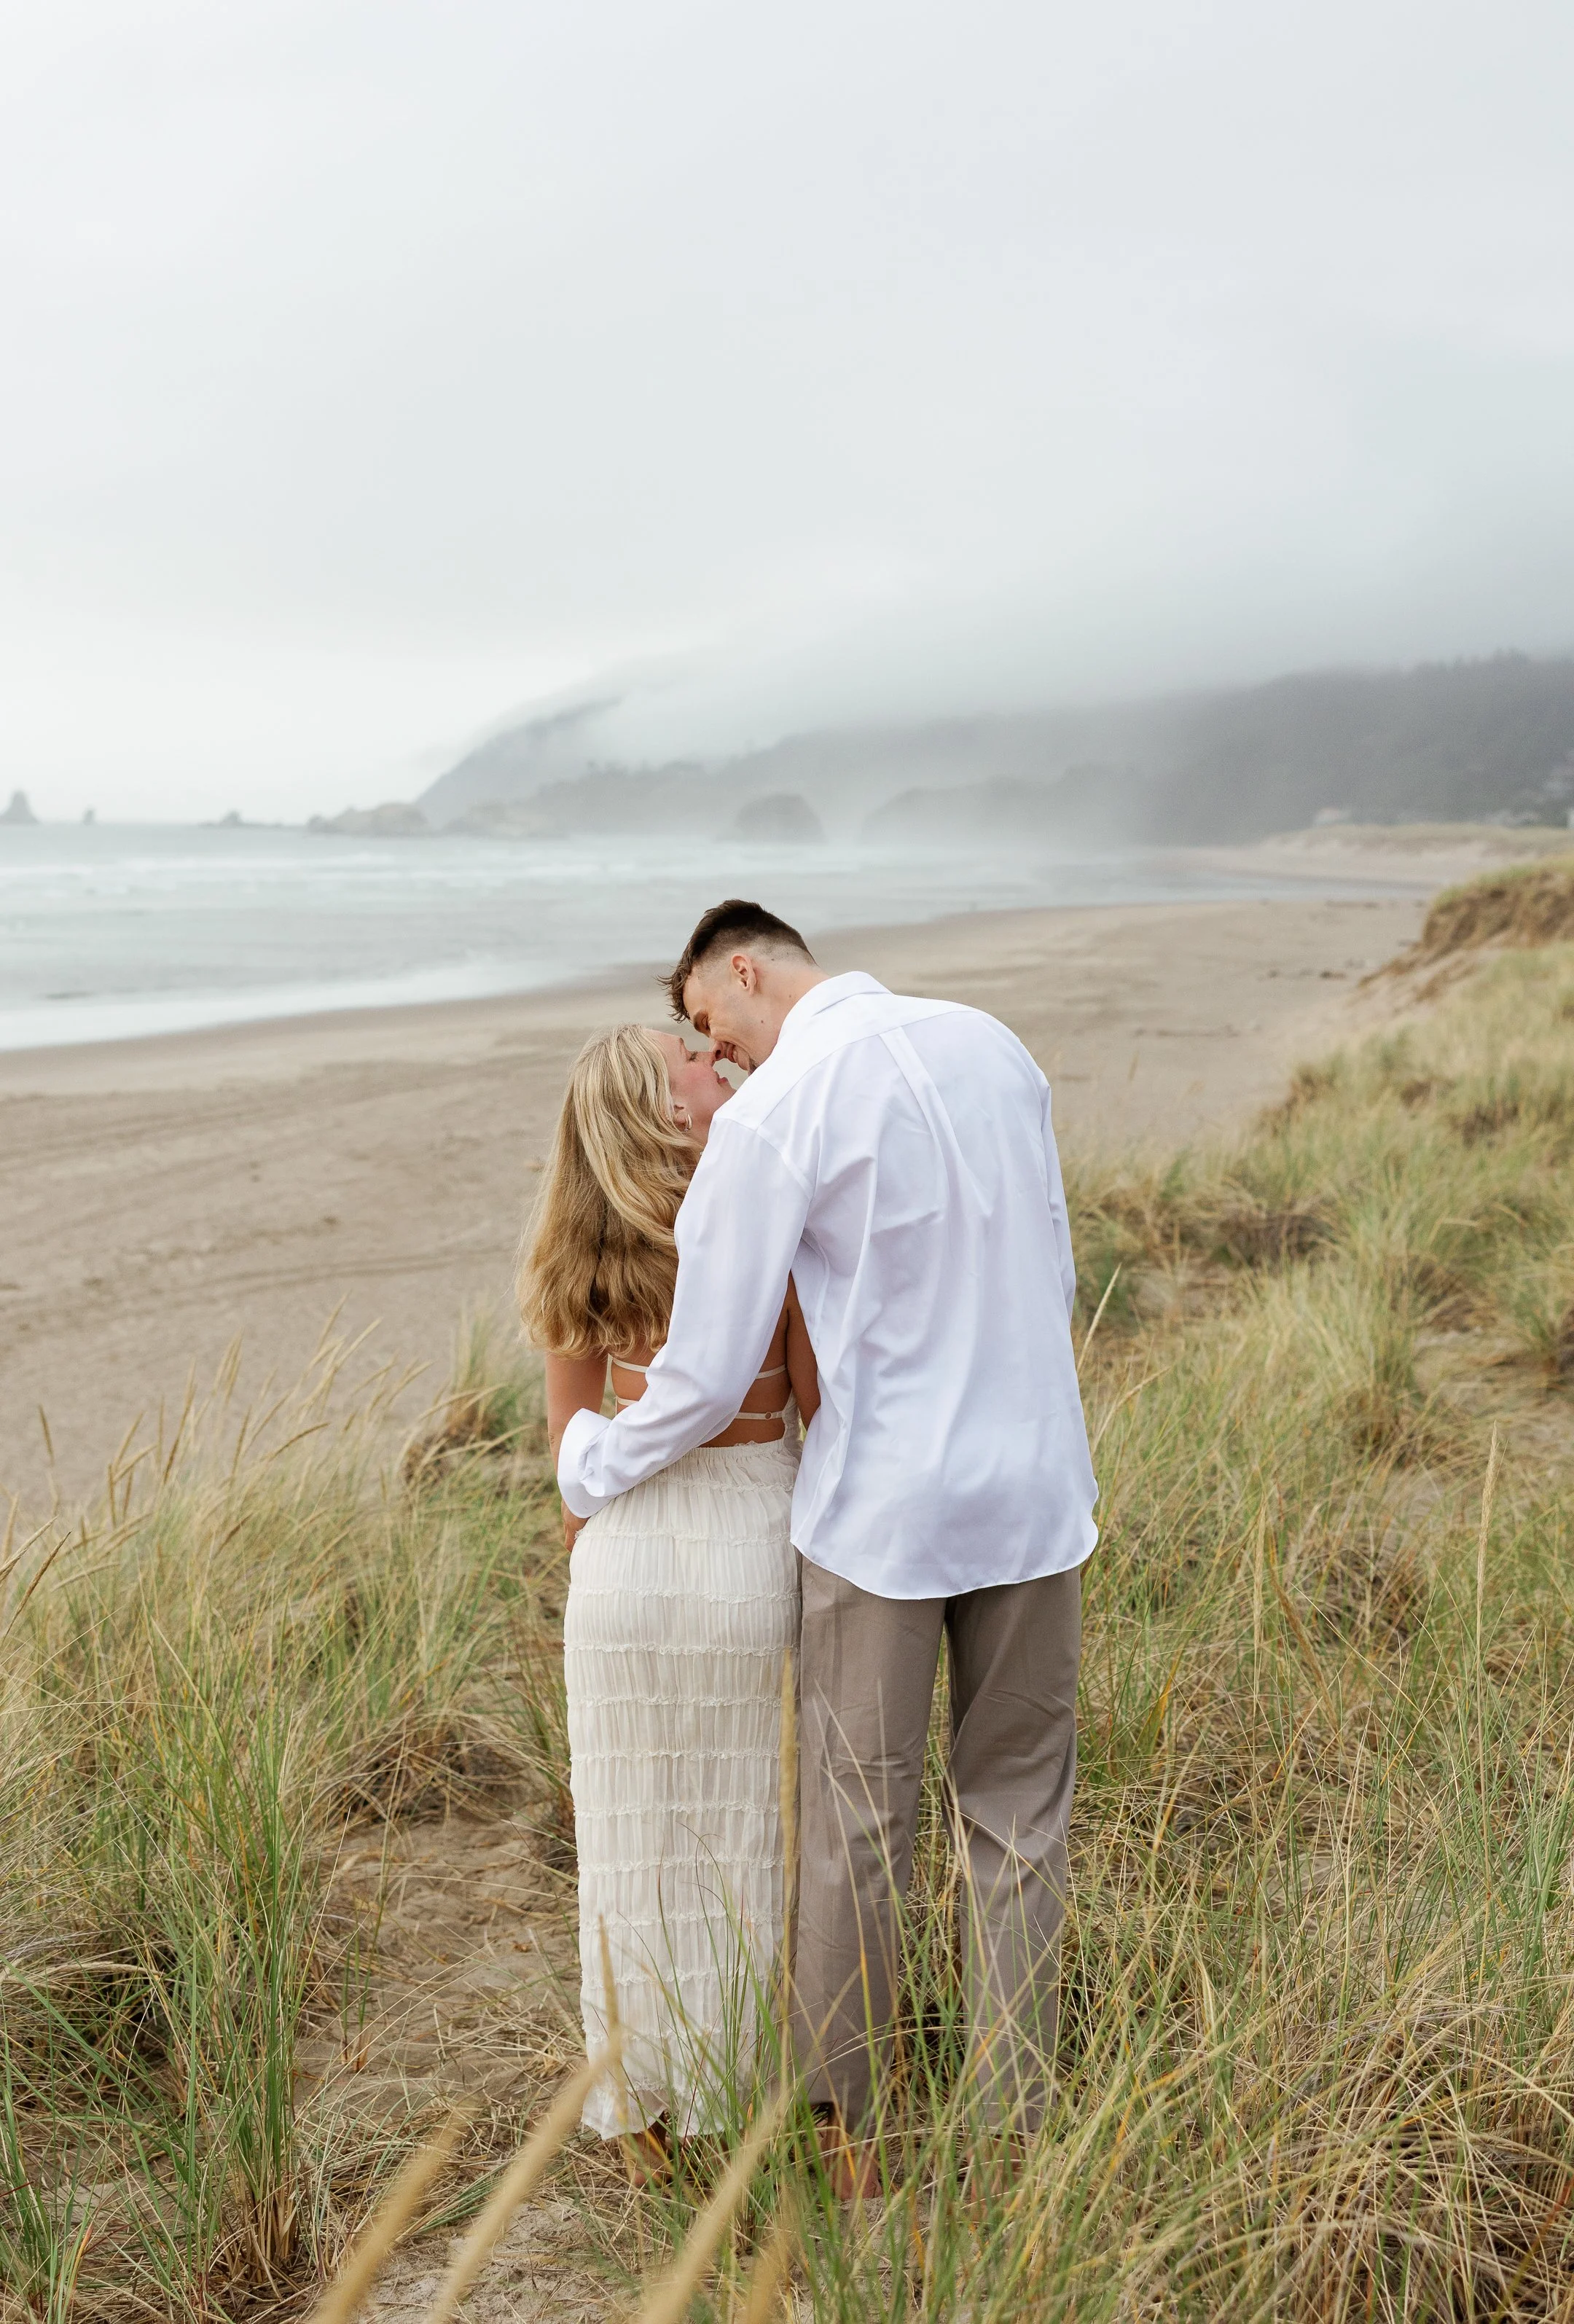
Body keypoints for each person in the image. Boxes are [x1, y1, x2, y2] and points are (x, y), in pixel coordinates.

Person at [556, 900, 1097, 2191]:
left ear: (743, 971)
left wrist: (593, 1461)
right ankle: (1014, 2130)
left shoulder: (773, 1112)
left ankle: (850, 2140)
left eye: (704, 1020)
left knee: (857, 1822)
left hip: (883, 1518)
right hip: (1034, 1494)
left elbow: (702, 1373)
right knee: (1019, 1816)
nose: (717, 1051)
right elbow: (1055, 1265)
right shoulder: (992, 1043)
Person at [519, 1022, 818, 2173]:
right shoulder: (761, 1229)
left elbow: (570, 1470)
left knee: (630, 1844)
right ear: (669, 1109)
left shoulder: (574, 1253)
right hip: (747, 1533)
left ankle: (642, 2119)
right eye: (691, 1058)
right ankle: (750, 2097)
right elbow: (811, 1407)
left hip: (625, 1571)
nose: (718, 1062)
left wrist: (597, 1565)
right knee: (753, 1834)